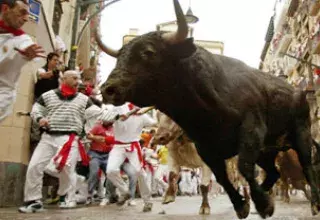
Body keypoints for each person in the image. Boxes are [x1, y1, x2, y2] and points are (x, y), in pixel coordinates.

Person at [18, 70, 120, 213]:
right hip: (47, 137)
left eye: (79, 78)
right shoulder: (47, 96)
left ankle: (67, 198)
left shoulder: (84, 100)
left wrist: (119, 115)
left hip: (69, 139)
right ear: (64, 79)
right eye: (74, 78)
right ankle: (33, 201)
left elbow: (100, 113)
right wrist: (40, 119)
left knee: (67, 169)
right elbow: (36, 110)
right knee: (35, 166)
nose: (78, 81)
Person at [106, 102, 157, 212]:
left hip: (134, 146)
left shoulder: (142, 115)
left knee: (140, 173)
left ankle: (148, 201)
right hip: (118, 146)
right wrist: (124, 115)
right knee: (110, 171)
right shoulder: (116, 109)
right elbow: (109, 119)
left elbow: (155, 123)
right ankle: (125, 192)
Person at [0, 0, 45, 122]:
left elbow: (32, 54)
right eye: (22, 12)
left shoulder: (23, 40)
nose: (26, 19)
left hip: (2, 95)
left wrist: (27, 55)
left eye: (27, 14)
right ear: (5, 9)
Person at [86, 121, 114, 204]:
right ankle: (90, 195)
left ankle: (108, 196)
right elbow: (88, 136)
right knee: (94, 172)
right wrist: (96, 138)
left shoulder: (114, 128)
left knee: (111, 174)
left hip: (108, 154)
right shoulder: (97, 127)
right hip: (95, 153)